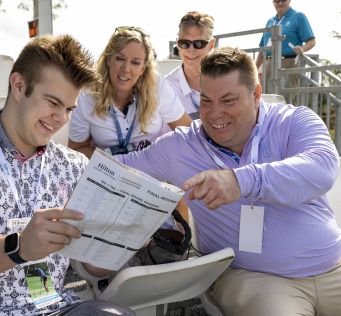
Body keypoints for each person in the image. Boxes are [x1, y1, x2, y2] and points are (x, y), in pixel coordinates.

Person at [0, 34, 135, 316]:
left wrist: (127, 240)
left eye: (69, 109)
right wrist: (18, 247)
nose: (61, 119)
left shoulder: (73, 165)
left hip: (49, 307)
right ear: (19, 86)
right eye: (52, 102)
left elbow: (93, 268)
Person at [117, 46, 341, 316]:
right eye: (206, 101)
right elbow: (117, 171)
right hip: (256, 279)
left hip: (334, 266)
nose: (214, 114)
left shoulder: (294, 121)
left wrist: (240, 181)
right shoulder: (180, 147)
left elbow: (323, 168)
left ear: (256, 94)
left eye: (228, 100)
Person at [68, 26, 192, 159]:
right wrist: (112, 161)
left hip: (152, 168)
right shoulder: (86, 95)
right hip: (105, 170)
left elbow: (188, 134)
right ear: (109, 60)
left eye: (135, 62)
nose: (126, 69)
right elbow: (76, 149)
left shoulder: (158, 86)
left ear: (143, 69)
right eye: (120, 58)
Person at [255, 0, 315, 94]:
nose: (280, 3)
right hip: (268, 64)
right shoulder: (270, 21)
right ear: (273, 2)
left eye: (283, 0)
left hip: (287, 63)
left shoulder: (298, 16)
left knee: (285, 99)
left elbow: (312, 41)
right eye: (277, 1)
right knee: (265, 97)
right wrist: (254, 68)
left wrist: (302, 49)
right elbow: (262, 47)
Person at [165, 11, 215, 120]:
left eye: (199, 44)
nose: (191, 50)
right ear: (178, 44)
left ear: (211, 45)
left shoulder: (226, 80)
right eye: (184, 43)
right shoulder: (166, 88)